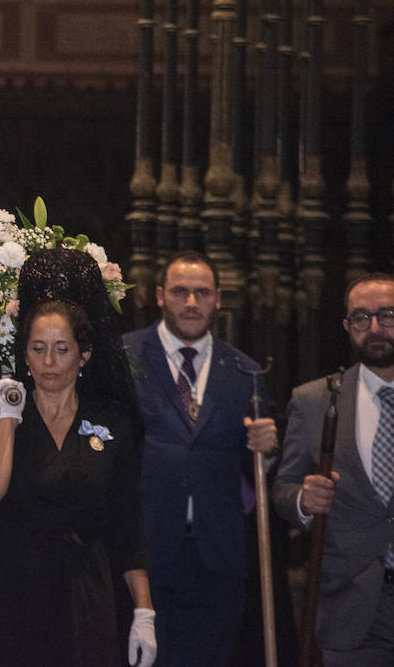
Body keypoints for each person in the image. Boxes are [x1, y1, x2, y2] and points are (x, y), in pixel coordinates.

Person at [0, 248, 155, 667]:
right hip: (9, 591)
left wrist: (144, 611)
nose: (48, 362)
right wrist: (10, 417)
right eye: (38, 348)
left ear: (84, 355)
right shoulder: (0, 412)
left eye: (61, 349)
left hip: (82, 592)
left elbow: (127, 526)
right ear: (24, 354)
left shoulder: (111, 420)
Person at [124, 251, 278, 667]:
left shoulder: (246, 372)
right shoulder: (125, 359)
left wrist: (268, 450)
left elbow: (261, 478)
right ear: (159, 296)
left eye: (202, 293)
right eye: (180, 291)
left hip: (217, 559)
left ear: (218, 299)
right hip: (144, 552)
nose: (191, 302)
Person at [274, 273, 394, 666]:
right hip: (350, 608)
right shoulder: (313, 400)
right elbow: (284, 489)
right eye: (361, 318)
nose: (374, 327)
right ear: (346, 327)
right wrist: (304, 501)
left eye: (387, 315)